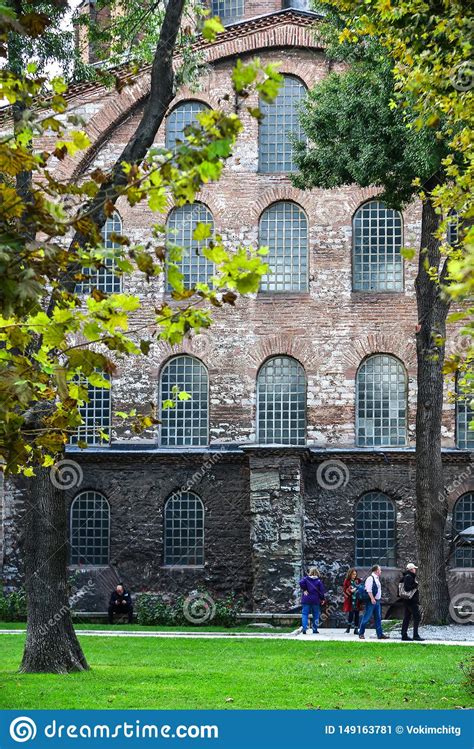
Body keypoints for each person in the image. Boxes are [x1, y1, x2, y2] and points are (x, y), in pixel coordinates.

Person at [358, 564, 389, 640]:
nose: (381, 571)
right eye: (380, 570)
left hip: (377, 601)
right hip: (371, 601)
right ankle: (361, 633)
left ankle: (380, 634)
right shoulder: (370, 578)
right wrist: (372, 599)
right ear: (376, 571)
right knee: (366, 617)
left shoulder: (376, 578)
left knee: (378, 618)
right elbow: (368, 590)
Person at [400, 562, 424, 641]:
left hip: (407, 601)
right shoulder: (409, 577)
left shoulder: (406, 576)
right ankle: (415, 635)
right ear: (411, 569)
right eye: (414, 568)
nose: (415, 570)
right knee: (417, 617)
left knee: (407, 617)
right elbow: (407, 588)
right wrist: (415, 585)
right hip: (411, 601)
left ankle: (404, 635)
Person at [300, 567, 326, 634]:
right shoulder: (318, 581)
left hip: (306, 599)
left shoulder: (306, 579)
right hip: (315, 600)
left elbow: (300, 583)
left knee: (305, 614)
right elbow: (321, 591)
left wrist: (305, 589)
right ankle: (315, 629)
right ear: (317, 572)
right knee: (316, 614)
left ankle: (304, 628)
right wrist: (322, 599)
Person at [343, 568, 361, 634]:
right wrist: (350, 590)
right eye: (353, 574)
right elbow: (344, 591)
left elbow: (361, 588)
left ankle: (356, 629)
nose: (354, 575)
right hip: (350, 600)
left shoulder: (358, 580)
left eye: (355, 574)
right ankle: (348, 628)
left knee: (357, 614)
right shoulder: (347, 581)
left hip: (357, 600)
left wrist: (357, 589)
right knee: (351, 614)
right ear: (350, 574)